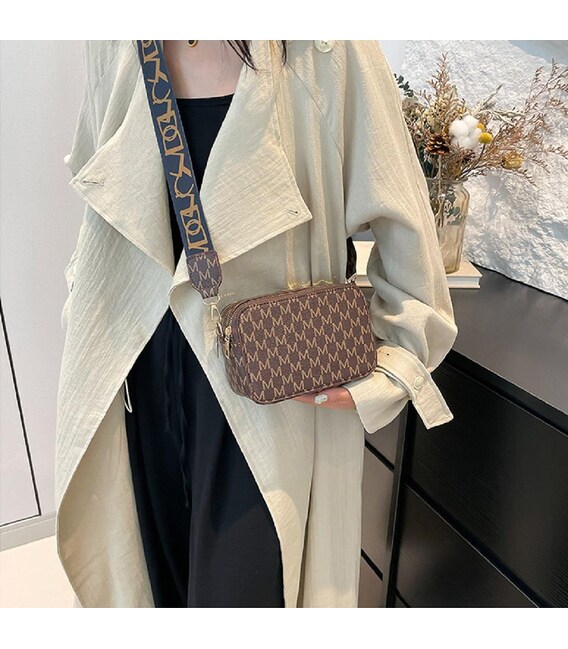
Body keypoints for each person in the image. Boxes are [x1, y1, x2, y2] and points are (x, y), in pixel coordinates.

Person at [56, 40, 458, 608]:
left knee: (247, 593)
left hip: (269, 388)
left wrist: (394, 362)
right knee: (153, 588)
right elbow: (97, 182)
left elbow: (406, 223)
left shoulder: (327, 48)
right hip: (137, 373)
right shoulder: (115, 39)